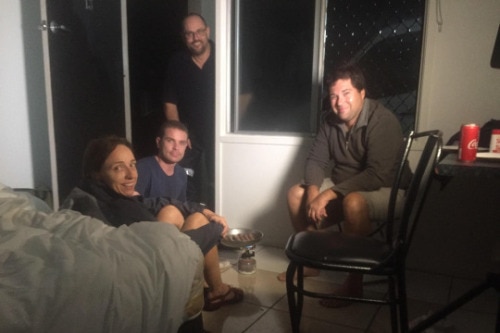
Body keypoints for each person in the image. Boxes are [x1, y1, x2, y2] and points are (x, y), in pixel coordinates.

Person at [277, 63, 412, 308]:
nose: (340, 102)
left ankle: (354, 282)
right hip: (346, 183)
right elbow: (315, 160)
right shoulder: (330, 122)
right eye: (333, 95)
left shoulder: (383, 120)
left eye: (346, 93)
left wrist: (328, 194)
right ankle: (311, 263)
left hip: (389, 188)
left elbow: (377, 174)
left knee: (353, 201)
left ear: (362, 93)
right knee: (296, 194)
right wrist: (314, 192)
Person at [67, 135, 243, 312]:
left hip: (150, 251)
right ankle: (216, 290)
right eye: (118, 167)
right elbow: (166, 252)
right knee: (199, 220)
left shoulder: (101, 194)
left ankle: (213, 288)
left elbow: (156, 202)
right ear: (97, 173)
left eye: (132, 164)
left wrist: (205, 210)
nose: (131, 174)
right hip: (149, 273)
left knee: (172, 211)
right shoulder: (113, 208)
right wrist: (214, 229)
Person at [163, 13, 215, 208]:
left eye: (199, 32)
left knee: (217, 178)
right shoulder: (177, 62)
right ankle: (188, 216)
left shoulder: (225, 55)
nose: (195, 38)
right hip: (189, 131)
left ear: (207, 31)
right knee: (185, 179)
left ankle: (215, 220)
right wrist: (180, 135)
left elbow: (243, 95)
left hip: (220, 131)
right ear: (184, 37)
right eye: (189, 34)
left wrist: (229, 127)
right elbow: (170, 102)